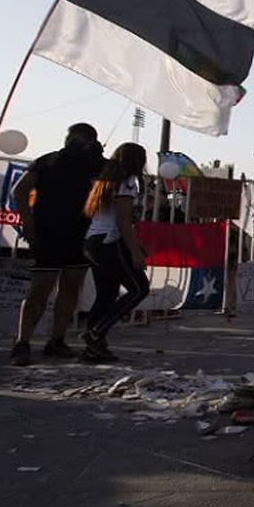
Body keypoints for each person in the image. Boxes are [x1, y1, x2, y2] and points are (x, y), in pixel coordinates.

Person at [9, 123, 105, 366]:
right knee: (40, 289)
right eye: (72, 138)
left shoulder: (96, 165)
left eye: (80, 139)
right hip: (49, 233)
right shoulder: (48, 161)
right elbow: (19, 191)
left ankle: (57, 340)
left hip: (79, 234)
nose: (74, 143)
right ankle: (23, 342)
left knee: (71, 289)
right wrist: (29, 224)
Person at [79, 142, 150, 362]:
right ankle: (95, 333)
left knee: (106, 293)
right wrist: (134, 251)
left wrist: (135, 246)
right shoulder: (128, 182)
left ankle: (94, 347)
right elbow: (122, 220)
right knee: (139, 289)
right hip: (110, 241)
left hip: (93, 240)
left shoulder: (105, 179)